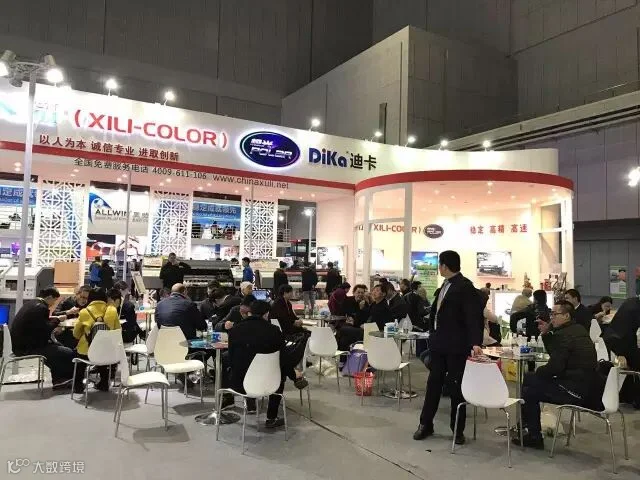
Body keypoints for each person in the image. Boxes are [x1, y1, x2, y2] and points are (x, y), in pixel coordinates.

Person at [414, 250, 484, 445]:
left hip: (456, 347)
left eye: (439, 264)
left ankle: (457, 430)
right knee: (433, 385)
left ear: (444, 266)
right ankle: (425, 423)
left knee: (456, 388)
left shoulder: (465, 287)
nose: (439, 268)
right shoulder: (444, 286)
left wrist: (475, 342)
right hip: (438, 345)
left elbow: (473, 316)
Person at [515, 301, 598, 449]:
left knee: (529, 389)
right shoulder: (578, 329)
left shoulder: (563, 335)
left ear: (566, 316)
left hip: (573, 389)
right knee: (530, 379)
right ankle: (526, 427)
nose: (551, 317)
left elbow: (555, 367)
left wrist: (539, 372)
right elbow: (557, 357)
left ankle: (533, 434)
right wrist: (547, 333)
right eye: (551, 314)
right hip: (589, 386)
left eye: (555, 314)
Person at [224, 300, 308, 427]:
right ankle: (271, 417)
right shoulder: (274, 331)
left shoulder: (235, 330)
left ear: (249, 312)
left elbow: (231, 357)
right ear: (266, 314)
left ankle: (250, 403)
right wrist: (292, 374)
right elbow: (283, 359)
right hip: (269, 382)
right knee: (280, 373)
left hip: (239, 383)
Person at [10, 287, 76, 389]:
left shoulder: (31, 304)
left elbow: (41, 322)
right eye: (54, 300)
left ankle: (59, 378)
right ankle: (62, 379)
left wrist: (58, 317)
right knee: (67, 352)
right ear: (49, 297)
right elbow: (46, 329)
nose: (53, 304)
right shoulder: (41, 308)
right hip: (28, 348)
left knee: (57, 347)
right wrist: (57, 321)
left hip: (20, 345)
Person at [72, 288, 122, 393]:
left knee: (80, 360)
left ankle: (78, 386)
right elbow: (118, 331)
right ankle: (104, 383)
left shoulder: (84, 312)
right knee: (102, 355)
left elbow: (76, 334)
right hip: (106, 350)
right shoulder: (112, 310)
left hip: (87, 351)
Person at [602, 296, 640, 408]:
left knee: (632, 368)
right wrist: (621, 353)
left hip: (617, 341)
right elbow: (627, 332)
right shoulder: (634, 308)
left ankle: (627, 396)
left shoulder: (632, 303)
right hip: (623, 343)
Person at [336, 284, 370, 351]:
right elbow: (340, 313)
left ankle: (342, 353)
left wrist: (361, 309)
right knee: (344, 337)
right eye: (358, 292)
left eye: (362, 293)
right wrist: (347, 318)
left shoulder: (365, 304)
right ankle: (343, 355)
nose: (360, 294)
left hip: (358, 326)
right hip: (347, 324)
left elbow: (364, 319)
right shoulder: (347, 300)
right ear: (354, 293)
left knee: (344, 335)